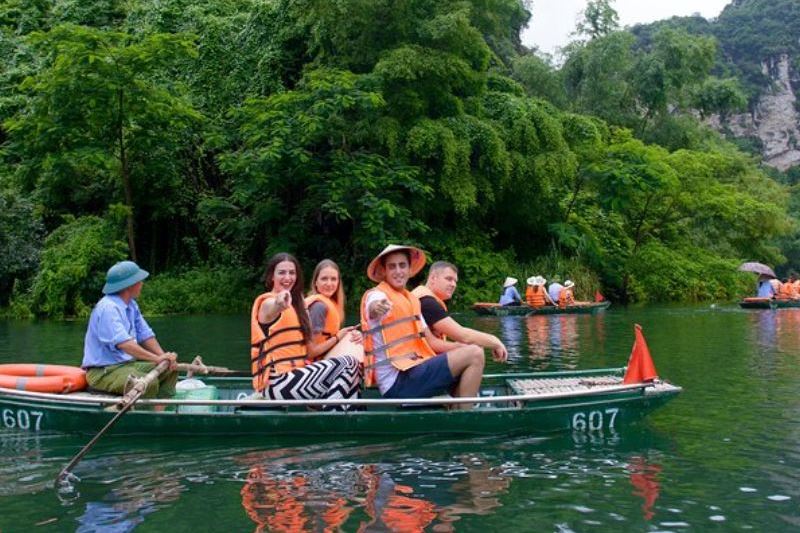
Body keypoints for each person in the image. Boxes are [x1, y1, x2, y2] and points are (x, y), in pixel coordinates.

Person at [360, 245, 484, 408]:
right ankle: (466, 418)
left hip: (413, 371)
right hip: (397, 383)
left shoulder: (411, 300)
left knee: (468, 351)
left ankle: (456, 408)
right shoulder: (377, 295)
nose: (398, 271)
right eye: (392, 266)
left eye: (402, 265)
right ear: (384, 271)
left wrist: (459, 347)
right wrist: (376, 307)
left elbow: (431, 342)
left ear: (410, 268)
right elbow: (373, 307)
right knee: (475, 354)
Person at [250, 253, 361, 407]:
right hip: (278, 384)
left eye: (292, 273)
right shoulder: (267, 303)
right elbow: (273, 306)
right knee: (349, 363)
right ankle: (333, 419)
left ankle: (341, 413)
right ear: (271, 277)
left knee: (354, 368)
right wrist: (279, 301)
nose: (287, 277)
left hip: (296, 377)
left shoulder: (299, 305)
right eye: (281, 273)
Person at [82, 261, 178, 398]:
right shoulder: (108, 308)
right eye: (139, 281)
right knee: (149, 384)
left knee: (169, 368)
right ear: (129, 285)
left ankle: (160, 412)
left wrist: (164, 358)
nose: (142, 284)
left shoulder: (131, 305)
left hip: (127, 365)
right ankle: (146, 416)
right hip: (104, 372)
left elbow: (145, 334)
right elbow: (125, 344)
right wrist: (156, 358)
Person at [412, 261, 508, 362]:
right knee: (473, 352)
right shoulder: (427, 303)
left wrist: (460, 346)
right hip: (415, 363)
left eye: (455, 281)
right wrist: (495, 341)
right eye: (449, 279)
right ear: (432, 278)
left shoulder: (421, 297)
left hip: (417, 359)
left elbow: (431, 343)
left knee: (471, 349)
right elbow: (463, 335)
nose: (453, 284)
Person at [305, 259, 363, 360]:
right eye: (324, 279)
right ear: (316, 283)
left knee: (352, 338)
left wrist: (348, 334)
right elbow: (311, 352)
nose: (329, 283)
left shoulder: (330, 304)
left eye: (333, 279)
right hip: (313, 367)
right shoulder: (319, 307)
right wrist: (338, 337)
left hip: (324, 361)